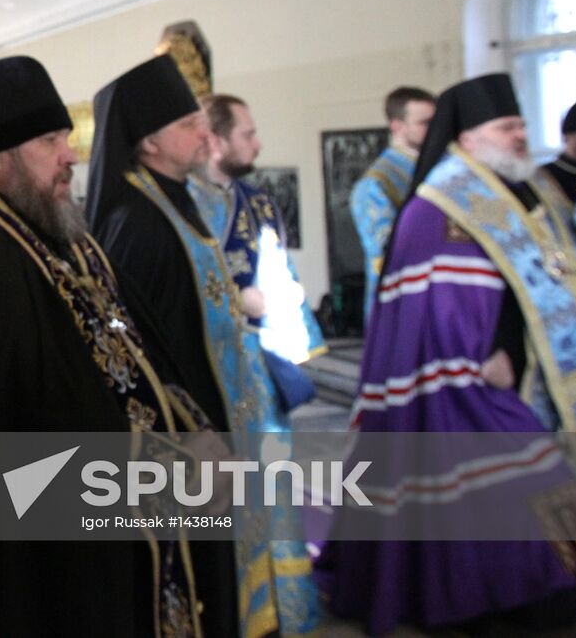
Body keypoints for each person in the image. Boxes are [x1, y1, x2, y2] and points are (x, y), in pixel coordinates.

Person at [0, 56, 212, 638]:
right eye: (48, 139)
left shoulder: (57, 225)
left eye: (66, 135)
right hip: (45, 565)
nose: (70, 153)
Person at [323, 73, 576, 634]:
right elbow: (444, 308)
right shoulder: (441, 206)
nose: (521, 137)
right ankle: (501, 602)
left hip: (547, 374)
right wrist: (495, 353)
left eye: (523, 125)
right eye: (507, 128)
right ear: (469, 138)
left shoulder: (523, 187)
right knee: (512, 496)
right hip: (478, 384)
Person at [86, 55, 320, 638]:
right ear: (149, 144)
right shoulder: (133, 220)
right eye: (189, 124)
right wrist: (190, 430)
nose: (203, 134)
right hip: (190, 443)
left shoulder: (178, 198)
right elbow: (134, 345)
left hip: (224, 421)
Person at [189, 93, 327, 411]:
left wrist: (290, 304)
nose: (258, 144)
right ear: (216, 140)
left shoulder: (259, 201)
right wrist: (236, 300)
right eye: (248, 134)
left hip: (264, 364)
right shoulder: (184, 206)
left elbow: (281, 268)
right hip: (210, 366)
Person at [350, 86, 435, 324]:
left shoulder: (438, 169)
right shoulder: (375, 185)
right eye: (425, 123)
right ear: (397, 126)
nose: (435, 130)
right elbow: (388, 256)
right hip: (401, 306)